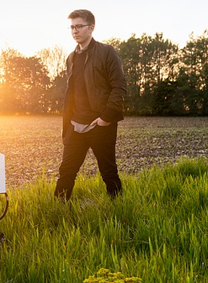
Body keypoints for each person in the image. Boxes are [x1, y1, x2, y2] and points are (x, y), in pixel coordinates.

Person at [54, 9, 127, 201]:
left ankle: (120, 209)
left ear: (91, 27)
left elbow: (119, 86)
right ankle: (57, 211)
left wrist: (105, 118)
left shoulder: (106, 52)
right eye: (72, 27)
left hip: (99, 124)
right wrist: (67, 126)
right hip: (75, 126)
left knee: (108, 172)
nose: (74, 31)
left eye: (79, 26)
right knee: (66, 172)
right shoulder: (71, 58)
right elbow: (71, 94)